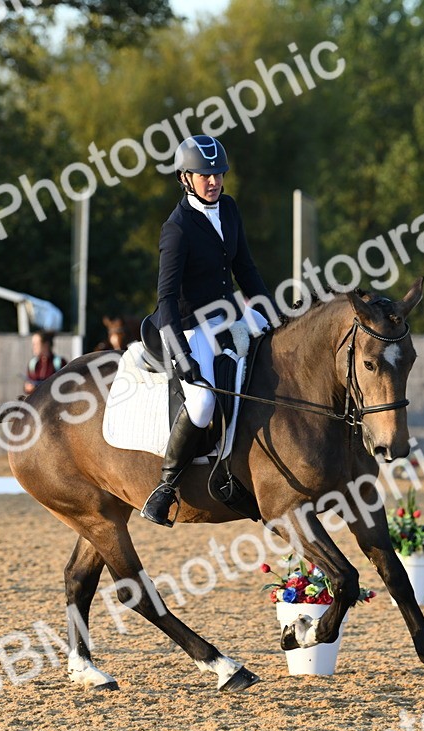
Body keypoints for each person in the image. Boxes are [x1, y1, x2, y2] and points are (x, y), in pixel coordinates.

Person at [141, 134, 273, 527]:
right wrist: (182, 357)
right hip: (188, 325)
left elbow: (245, 269)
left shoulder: (229, 209)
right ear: (185, 178)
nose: (213, 180)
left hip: (228, 314)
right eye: (204, 175)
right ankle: (165, 489)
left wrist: (271, 313)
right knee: (201, 403)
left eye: (217, 173)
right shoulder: (177, 228)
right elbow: (165, 299)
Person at [23, 331, 67, 396]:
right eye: (33, 344)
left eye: (36, 344)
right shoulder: (33, 363)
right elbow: (27, 384)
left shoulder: (60, 362)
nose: (33, 347)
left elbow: (66, 385)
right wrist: (27, 388)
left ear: (46, 345)